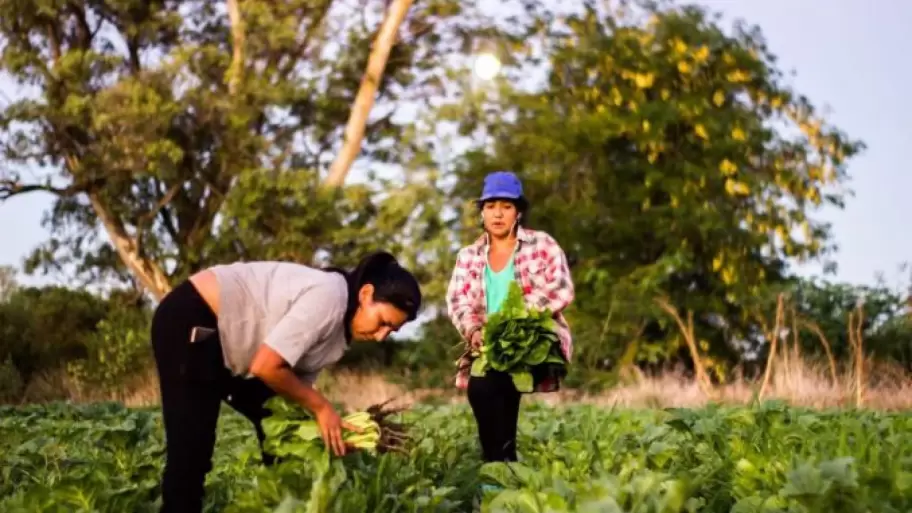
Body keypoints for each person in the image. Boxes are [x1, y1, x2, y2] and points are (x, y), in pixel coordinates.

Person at [150, 251, 421, 513]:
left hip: (226, 343)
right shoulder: (330, 297)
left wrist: (333, 432)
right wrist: (322, 407)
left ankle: (280, 505)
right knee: (191, 453)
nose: (382, 336)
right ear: (366, 294)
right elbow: (267, 366)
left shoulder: (340, 337)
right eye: (383, 322)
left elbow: (290, 391)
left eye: (391, 330)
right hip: (193, 316)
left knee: (278, 427)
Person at [446, 171, 575, 465]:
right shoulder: (468, 255)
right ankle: (502, 464)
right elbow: (457, 300)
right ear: (482, 212)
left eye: (506, 206)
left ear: (518, 212)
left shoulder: (541, 245)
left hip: (533, 341)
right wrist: (473, 329)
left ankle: (499, 466)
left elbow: (561, 288)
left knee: (496, 384)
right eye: (491, 206)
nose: (498, 214)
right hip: (491, 345)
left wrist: (520, 318)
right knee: (481, 389)